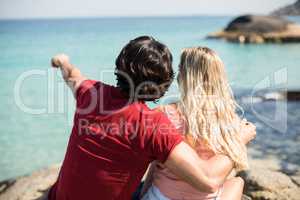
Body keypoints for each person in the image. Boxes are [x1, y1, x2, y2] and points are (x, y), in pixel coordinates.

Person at [48, 36, 256, 200]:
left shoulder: (91, 94)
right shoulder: (153, 125)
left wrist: (63, 62)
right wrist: (238, 139)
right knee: (236, 184)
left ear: (120, 65)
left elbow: (73, 76)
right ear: (164, 85)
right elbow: (209, 180)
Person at [141, 47, 256, 200]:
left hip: (161, 196)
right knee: (236, 182)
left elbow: (155, 163)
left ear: (184, 77)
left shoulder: (164, 115)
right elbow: (224, 171)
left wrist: (143, 194)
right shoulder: (230, 121)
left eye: (180, 69)